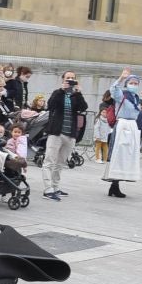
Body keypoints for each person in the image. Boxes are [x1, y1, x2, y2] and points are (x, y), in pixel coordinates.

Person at [42, 71, 88, 201]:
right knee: (49, 161)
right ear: (63, 80)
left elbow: (83, 107)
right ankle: (47, 189)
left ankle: (55, 187)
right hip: (56, 133)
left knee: (61, 163)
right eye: (68, 78)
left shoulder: (75, 95)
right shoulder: (58, 93)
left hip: (70, 134)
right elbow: (50, 105)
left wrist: (79, 92)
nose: (70, 80)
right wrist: (61, 91)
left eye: (73, 78)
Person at [103, 69, 142, 197]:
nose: (134, 85)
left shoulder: (136, 98)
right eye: (131, 82)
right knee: (118, 155)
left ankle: (115, 185)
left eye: (136, 83)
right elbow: (113, 90)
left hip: (131, 126)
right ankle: (114, 184)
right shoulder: (123, 95)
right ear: (127, 84)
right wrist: (121, 78)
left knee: (126, 156)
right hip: (122, 125)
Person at [93, 91, 115, 162]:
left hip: (110, 124)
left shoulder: (114, 104)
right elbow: (103, 113)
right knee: (101, 145)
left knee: (108, 143)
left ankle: (106, 157)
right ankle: (100, 158)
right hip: (103, 124)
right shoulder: (103, 104)